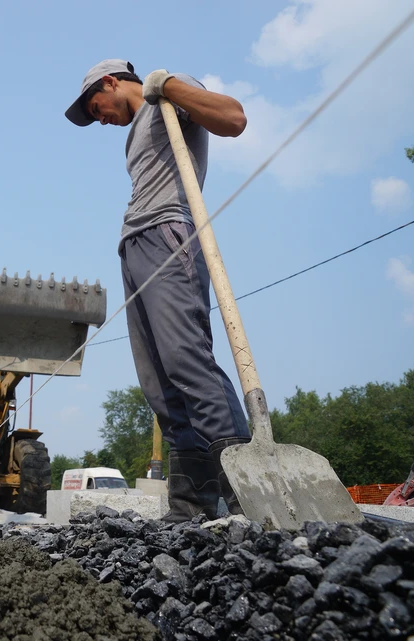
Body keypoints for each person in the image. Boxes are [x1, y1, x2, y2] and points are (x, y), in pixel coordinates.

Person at [65, 60, 251, 522]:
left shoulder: (169, 92)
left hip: (169, 234)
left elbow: (233, 119)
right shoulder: (137, 128)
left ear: (111, 82)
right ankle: (192, 503)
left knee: (186, 359)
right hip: (134, 247)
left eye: (97, 107)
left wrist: (166, 84)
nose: (101, 119)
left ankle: (243, 484)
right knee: (159, 384)